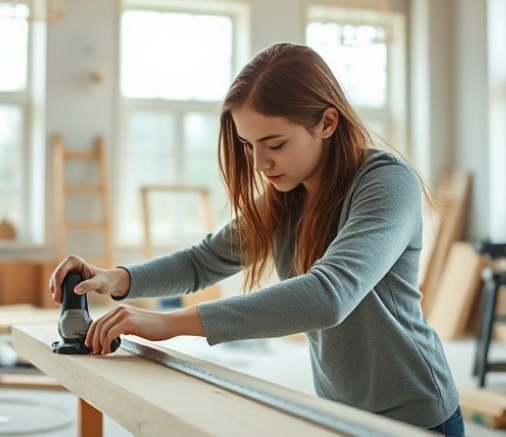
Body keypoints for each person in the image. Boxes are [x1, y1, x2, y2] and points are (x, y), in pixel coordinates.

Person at [49, 42, 464, 436]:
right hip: (339, 411)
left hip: (416, 416)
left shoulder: (387, 182)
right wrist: (114, 278)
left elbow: (328, 296)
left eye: (276, 144)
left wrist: (169, 323)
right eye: (248, 146)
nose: (261, 163)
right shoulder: (288, 194)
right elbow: (203, 262)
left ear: (327, 122)